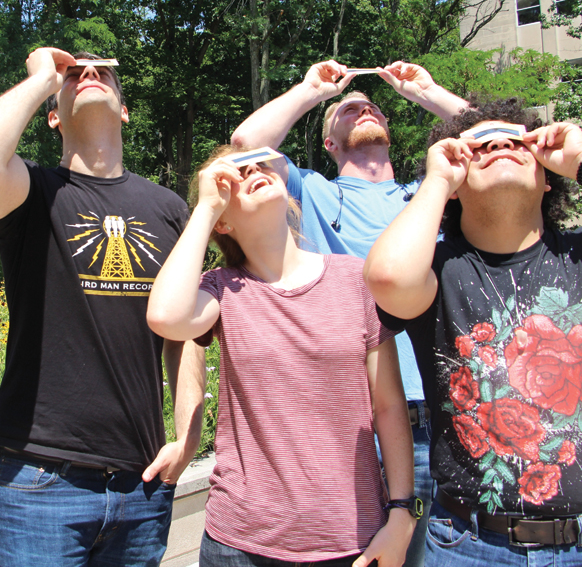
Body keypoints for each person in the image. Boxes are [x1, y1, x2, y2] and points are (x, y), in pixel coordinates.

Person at [363, 96, 582, 566]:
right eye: (480, 145)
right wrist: (436, 181)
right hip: (468, 546)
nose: (499, 145)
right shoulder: (437, 268)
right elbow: (387, 277)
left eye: (517, 141)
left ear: (548, 177)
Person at [0, 47, 205, 566]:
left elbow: (184, 334)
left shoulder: (170, 209)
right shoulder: (32, 193)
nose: (88, 74)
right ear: (52, 114)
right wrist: (44, 73)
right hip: (39, 482)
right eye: (74, 75)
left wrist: (188, 436)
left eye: (103, 72)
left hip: (142, 483)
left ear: (125, 110)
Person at [230, 59, 469, 566]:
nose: (364, 107)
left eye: (372, 105)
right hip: (355, 424)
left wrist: (429, 94)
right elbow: (246, 142)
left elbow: (506, 144)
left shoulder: (434, 193)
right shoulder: (313, 191)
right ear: (329, 143)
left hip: (447, 414)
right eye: (348, 109)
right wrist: (312, 91)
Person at [147, 146, 417, 567]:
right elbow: (166, 317)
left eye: (258, 163)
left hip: (352, 540)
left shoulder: (354, 279)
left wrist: (402, 513)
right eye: (234, 175)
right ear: (224, 220)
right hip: (239, 543)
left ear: (290, 197)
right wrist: (203, 209)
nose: (252, 169)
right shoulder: (221, 289)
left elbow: (388, 405)